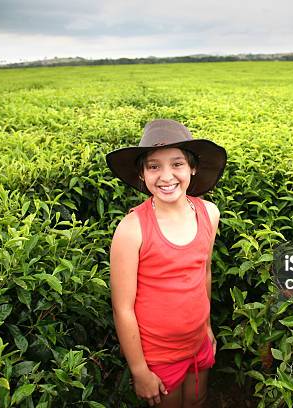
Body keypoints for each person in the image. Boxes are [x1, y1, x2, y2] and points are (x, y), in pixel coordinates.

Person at [106, 119, 227, 407]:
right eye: (153, 166)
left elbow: (203, 273)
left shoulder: (209, 213)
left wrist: (207, 327)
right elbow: (122, 308)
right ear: (142, 173)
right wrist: (139, 370)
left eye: (177, 164)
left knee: (197, 400)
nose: (166, 176)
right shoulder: (132, 229)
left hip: (198, 343)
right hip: (157, 355)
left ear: (192, 168)